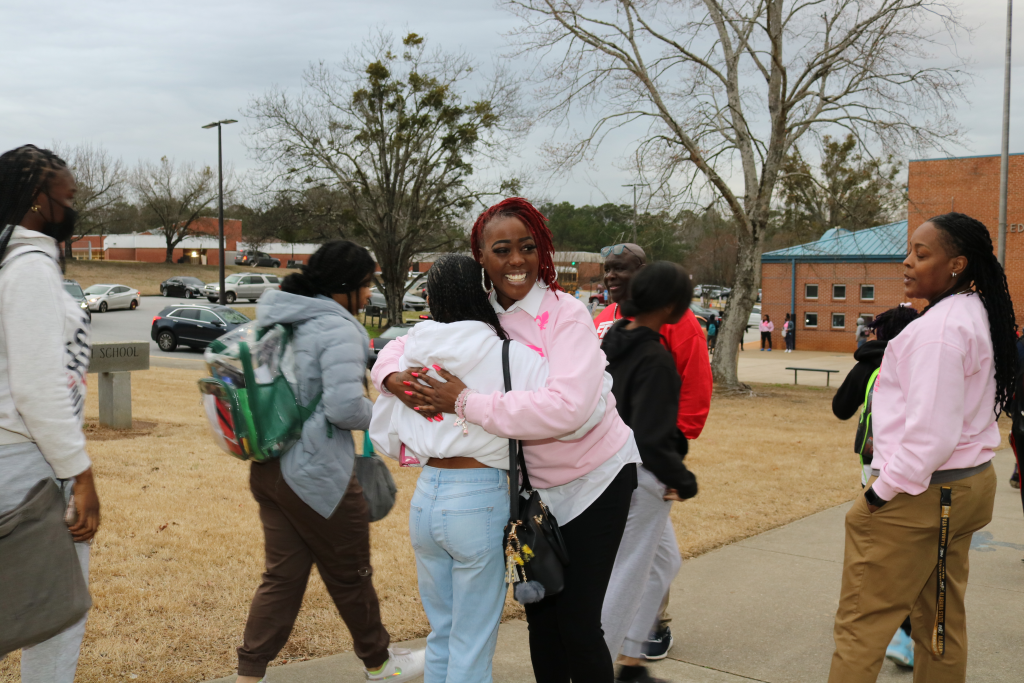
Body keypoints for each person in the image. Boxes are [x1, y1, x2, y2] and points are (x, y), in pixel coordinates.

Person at [373, 198, 641, 683]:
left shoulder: (565, 314)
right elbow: (398, 347)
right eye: (502, 250)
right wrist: (392, 379)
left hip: (595, 479)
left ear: (543, 251)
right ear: (481, 257)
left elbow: (571, 409)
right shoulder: (484, 314)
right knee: (542, 619)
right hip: (533, 492)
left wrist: (465, 402)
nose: (517, 260)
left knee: (578, 623)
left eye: (527, 247)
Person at [828, 213, 1017, 683]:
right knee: (940, 622)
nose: (907, 261)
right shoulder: (974, 309)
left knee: (860, 628)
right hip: (963, 486)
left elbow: (931, 436)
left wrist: (878, 494)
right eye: (909, 250)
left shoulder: (939, 330)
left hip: (922, 494)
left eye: (922, 253)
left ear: (957, 264)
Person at [236, 241, 424, 683]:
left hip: (269, 466)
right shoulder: (337, 328)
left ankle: (248, 673)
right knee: (351, 572)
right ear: (344, 287)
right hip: (317, 473)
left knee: (282, 578)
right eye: (366, 284)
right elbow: (344, 409)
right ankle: (380, 663)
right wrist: (391, 415)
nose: (369, 293)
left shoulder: (281, 315)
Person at [0, 144, 100, 683]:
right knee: (56, 615)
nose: (74, 205)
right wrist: (80, 473)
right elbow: (37, 389)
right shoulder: (30, 267)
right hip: (26, 463)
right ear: (39, 199)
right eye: (69, 195)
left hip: (14, 458)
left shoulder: (11, 262)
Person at [593, 242, 712, 660]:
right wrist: (682, 478)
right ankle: (599, 661)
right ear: (670, 305)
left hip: (612, 467)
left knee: (665, 563)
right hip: (641, 476)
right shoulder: (653, 356)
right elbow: (648, 434)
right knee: (627, 573)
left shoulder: (617, 337)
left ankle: (632, 652)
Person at [831, 305, 920, 669]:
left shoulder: (869, 364)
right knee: (910, 551)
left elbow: (840, 408)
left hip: (877, 469)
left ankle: (895, 630)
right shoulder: (921, 362)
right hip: (921, 467)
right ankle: (907, 629)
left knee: (878, 550)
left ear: (880, 333)